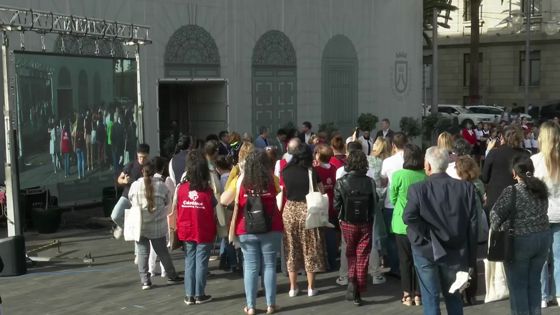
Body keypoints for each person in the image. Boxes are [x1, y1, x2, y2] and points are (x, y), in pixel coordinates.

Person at [403, 146, 478, 315]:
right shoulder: (466, 189)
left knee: (430, 298)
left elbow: (408, 217)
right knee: (453, 296)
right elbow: (473, 226)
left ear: (427, 166)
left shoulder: (418, 189)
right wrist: (471, 259)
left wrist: (427, 233)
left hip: (425, 248)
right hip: (455, 249)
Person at [490, 156, 551, 315]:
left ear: (514, 173)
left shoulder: (512, 191)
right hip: (543, 238)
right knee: (534, 283)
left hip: (520, 240)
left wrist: (499, 228)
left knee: (518, 286)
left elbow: (494, 216)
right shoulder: (541, 188)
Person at [232, 151, 283, 315]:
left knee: (251, 267)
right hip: (271, 226)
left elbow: (236, 203)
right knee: (269, 265)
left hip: (247, 227)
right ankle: (270, 305)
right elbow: (279, 193)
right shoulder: (271, 180)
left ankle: (251, 306)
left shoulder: (242, 181)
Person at [128, 159, 182, 290]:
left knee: (142, 253)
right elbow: (167, 202)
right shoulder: (161, 186)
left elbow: (130, 199)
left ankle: (145, 281)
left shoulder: (135, 185)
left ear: (142, 172)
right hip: (157, 226)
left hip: (140, 225)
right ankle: (172, 275)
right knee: (162, 252)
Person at [282, 143, 326, 297]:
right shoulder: (311, 171)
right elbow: (321, 190)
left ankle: (293, 288)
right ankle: (310, 287)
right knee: (310, 248)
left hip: (289, 211)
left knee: (291, 248)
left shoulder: (285, 170)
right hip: (308, 210)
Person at [173, 150, 217, 305]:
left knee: (189, 261)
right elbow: (214, 207)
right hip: (203, 229)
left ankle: (189, 295)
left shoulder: (182, 188)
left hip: (186, 228)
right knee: (201, 262)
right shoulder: (207, 191)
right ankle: (199, 294)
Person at [334, 150, 377, 306]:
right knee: (363, 255)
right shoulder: (370, 181)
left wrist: (340, 217)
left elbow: (336, 204)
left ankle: (351, 280)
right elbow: (375, 201)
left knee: (350, 252)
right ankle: (358, 289)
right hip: (365, 222)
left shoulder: (341, 181)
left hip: (347, 222)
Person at [390, 144, 427, 307]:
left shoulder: (398, 175)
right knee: (420, 259)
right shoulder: (425, 175)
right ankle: (419, 294)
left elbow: (392, 198)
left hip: (400, 222)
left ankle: (407, 294)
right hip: (420, 223)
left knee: (404, 260)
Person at [531, 121, 560, 308]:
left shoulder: (534, 161)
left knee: (541, 258)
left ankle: (542, 295)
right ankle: (559, 293)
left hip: (540, 214)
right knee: (559, 257)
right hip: (559, 213)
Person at [454, 155, 486, 305]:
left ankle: (460, 293)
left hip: (460, 228)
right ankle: (471, 295)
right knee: (472, 262)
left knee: (460, 263)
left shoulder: (457, 186)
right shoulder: (478, 184)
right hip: (475, 228)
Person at [380, 132, 408, 277]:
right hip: (410, 202)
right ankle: (407, 266)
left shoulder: (388, 161)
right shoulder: (413, 159)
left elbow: (383, 180)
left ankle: (395, 267)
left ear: (393, 146)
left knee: (391, 237)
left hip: (392, 203)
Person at [482, 126, 530, 210]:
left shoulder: (494, 153)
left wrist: (488, 152)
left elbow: (485, 177)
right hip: (517, 198)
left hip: (495, 198)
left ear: (502, 137)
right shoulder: (525, 154)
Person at [111, 144, 150, 239]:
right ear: (137, 155)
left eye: (144, 157)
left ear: (148, 156)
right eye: (140, 157)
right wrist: (124, 181)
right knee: (114, 215)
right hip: (127, 195)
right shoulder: (131, 165)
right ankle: (123, 227)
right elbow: (119, 179)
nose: (142, 159)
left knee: (141, 225)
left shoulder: (150, 167)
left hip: (141, 199)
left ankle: (136, 236)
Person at [313, 144, 338, 271]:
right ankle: (333, 261)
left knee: (320, 236)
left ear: (318, 155)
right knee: (331, 234)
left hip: (320, 205)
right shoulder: (333, 168)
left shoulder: (316, 170)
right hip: (332, 204)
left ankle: (322, 262)